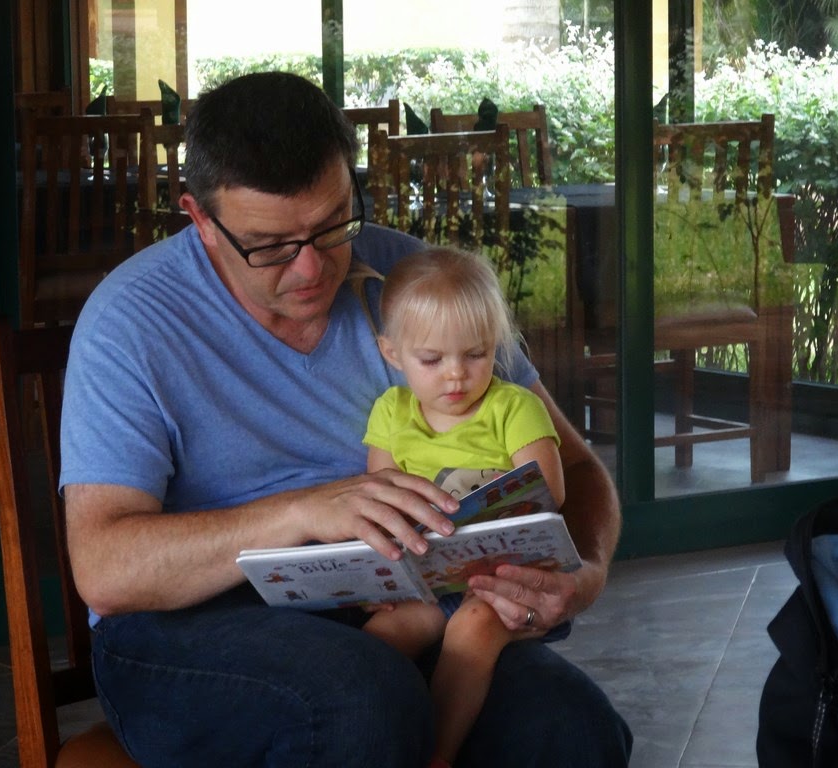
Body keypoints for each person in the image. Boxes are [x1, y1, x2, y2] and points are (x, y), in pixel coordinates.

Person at [59, 71, 632, 767]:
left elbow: (576, 468)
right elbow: (106, 568)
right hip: (187, 626)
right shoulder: (131, 322)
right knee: (361, 702)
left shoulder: (417, 284)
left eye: (333, 225)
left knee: (572, 729)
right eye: (271, 244)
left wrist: (585, 573)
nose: (311, 268)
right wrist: (303, 512)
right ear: (200, 220)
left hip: (397, 607)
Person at [361, 246, 569, 768]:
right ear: (392, 353)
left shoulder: (513, 407)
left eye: (475, 354)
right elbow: (379, 499)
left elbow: (549, 490)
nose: (456, 375)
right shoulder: (391, 412)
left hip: (505, 576)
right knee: (381, 639)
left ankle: (438, 755)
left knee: (472, 629)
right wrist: (380, 579)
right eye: (432, 360)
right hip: (431, 576)